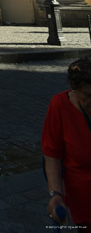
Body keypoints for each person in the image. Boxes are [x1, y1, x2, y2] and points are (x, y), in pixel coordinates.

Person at [42, 57, 91, 228]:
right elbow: (52, 155)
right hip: (85, 207)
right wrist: (56, 194)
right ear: (73, 89)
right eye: (88, 96)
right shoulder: (59, 106)